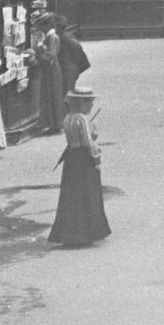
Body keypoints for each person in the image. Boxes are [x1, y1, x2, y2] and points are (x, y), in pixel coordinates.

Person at [47, 106, 110, 249]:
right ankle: (86, 234)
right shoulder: (82, 118)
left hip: (71, 159)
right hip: (83, 159)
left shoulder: (68, 118)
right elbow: (88, 141)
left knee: (71, 197)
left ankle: (69, 234)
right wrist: (96, 157)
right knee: (87, 194)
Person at [31, 19, 64, 137]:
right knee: (51, 95)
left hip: (52, 70)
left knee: (53, 95)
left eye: (41, 27)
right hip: (50, 69)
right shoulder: (50, 37)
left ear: (46, 26)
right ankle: (53, 124)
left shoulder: (52, 37)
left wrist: (40, 48)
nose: (40, 29)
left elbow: (50, 55)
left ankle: (55, 125)